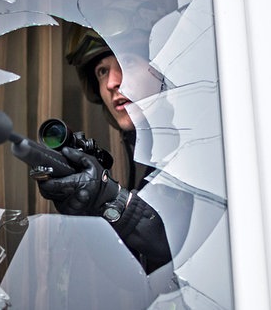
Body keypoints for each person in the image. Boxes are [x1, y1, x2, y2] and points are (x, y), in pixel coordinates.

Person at [36, 26, 172, 274]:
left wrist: (111, 197)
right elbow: (133, 275)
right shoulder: (148, 164)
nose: (111, 82)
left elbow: (182, 254)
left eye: (126, 62)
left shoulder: (207, 152)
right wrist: (92, 211)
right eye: (101, 71)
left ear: (163, 68)